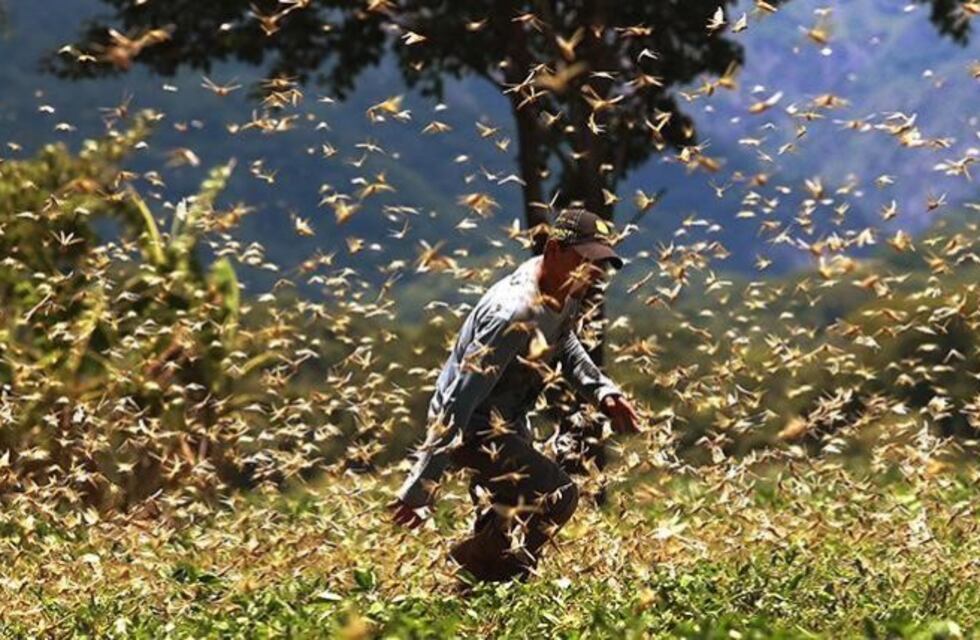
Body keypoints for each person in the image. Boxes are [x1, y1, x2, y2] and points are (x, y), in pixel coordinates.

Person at [387, 207, 641, 584]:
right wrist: (422, 483)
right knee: (558, 496)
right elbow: (459, 400)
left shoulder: (566, 291)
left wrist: (602, 391)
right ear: (554, 250)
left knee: (508, 516)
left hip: (504, 421)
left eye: (600, 264)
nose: (593, 273)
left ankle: (475, 595)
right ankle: (471, 567)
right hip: (472, 428)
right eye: (585, 261)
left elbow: (562, 343)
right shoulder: (513, 313)